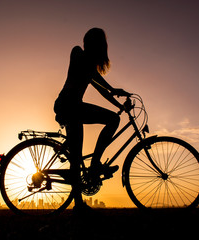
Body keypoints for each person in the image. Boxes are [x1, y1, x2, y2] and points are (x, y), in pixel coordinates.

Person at [54, 28, 130, 211]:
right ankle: (95, 165)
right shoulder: (77, 53)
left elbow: (101, 90)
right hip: (68, 105)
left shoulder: (90, 66)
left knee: (111, 120)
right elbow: (95, 77)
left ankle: (79, 203)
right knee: (110, 122)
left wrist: (120, 106)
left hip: (74, 107)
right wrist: (113, 89)